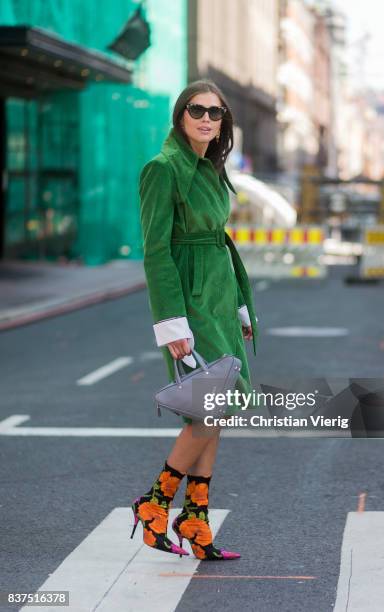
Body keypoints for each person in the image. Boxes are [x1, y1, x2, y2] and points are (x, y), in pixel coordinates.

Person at [131, 79, 259, 561]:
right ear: (180, 116)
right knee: (211, 408)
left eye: (216, 112)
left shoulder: (209, 168)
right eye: (196, 109)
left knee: (214, 410)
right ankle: (156, 502)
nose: (207, 118)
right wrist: (172, 323)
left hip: (218, 297)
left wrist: (239, 306)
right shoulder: (162, 169)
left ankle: (194, 516)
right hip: (190, 301)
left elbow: (217, 241)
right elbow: (156, 251)